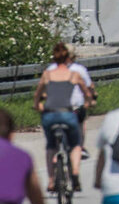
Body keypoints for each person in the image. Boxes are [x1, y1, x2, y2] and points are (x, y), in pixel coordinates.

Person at [34, 42, 92, 192]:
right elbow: (87, 93)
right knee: (75, 145)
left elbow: (37, 95)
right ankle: (75, 173)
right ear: (69, 58)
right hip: (67, 113)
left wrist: (37, 106)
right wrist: (87, 104)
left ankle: (52, 181)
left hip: (50, 114)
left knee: (51, 146)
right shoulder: (74, 74)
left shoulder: (47, 73)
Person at [47, 44, 97, 158]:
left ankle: (54, 153)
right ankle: (80, 147)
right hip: (74, 107)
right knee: (81, 122)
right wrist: (92, 99)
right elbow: (89, 87)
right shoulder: (79, 69)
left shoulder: (50, 69)